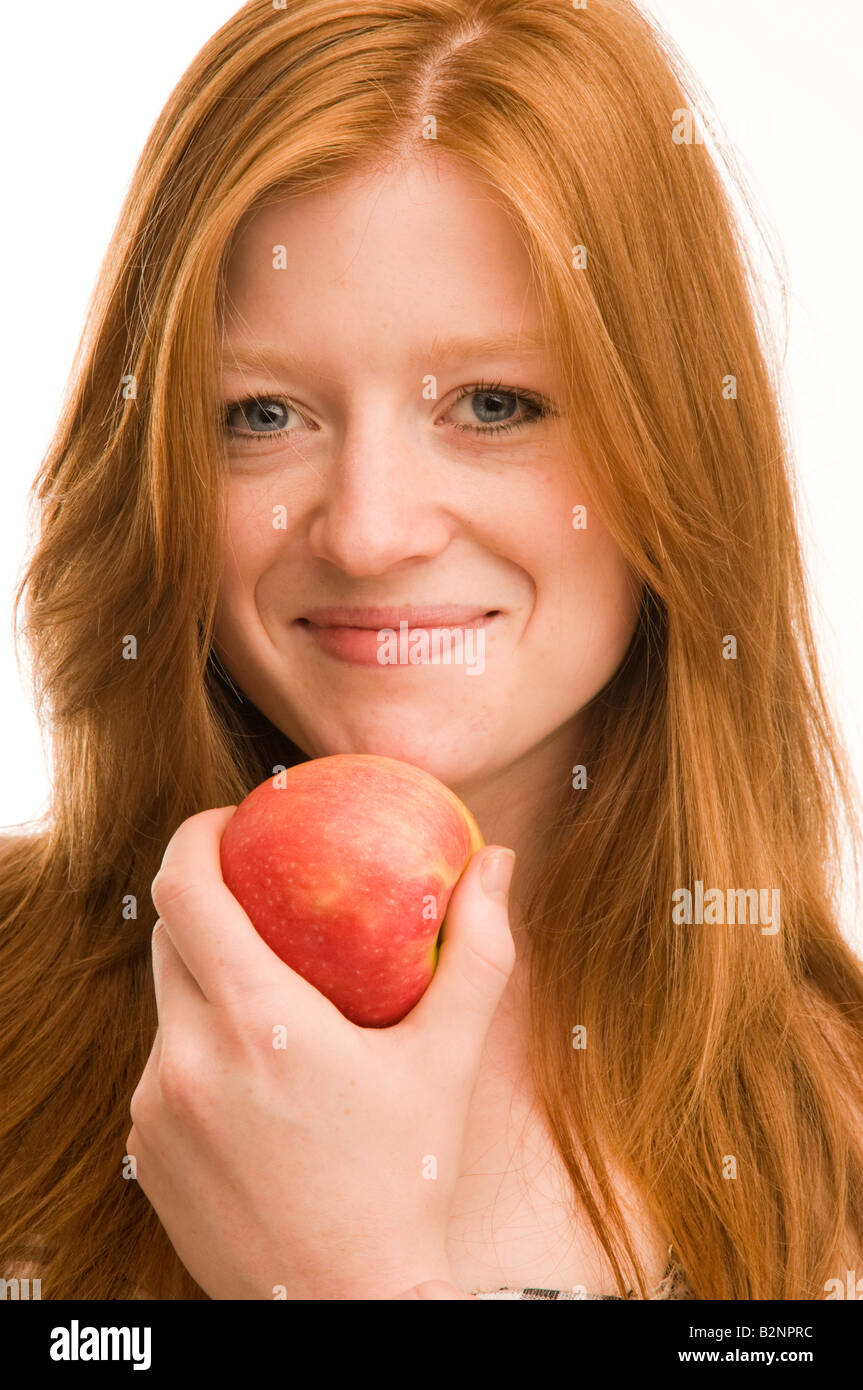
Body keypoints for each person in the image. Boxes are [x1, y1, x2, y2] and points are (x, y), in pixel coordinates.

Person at [2, 0, 862, 1301]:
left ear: (677, 449)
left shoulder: (841, 1135)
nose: (369, 530)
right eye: (265, 411)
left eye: (495, 404)